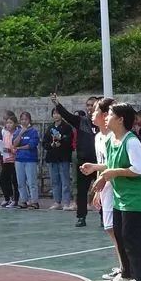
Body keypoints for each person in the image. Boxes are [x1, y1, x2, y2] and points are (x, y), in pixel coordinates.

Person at [82, 103, 141, 281]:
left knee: (132, 237)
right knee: (120, 235)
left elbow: (139, 169)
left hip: (134, 197)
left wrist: (110, 173)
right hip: (120, 196)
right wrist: (97, 169)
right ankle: (126, 274)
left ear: (121, 119)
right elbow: (110, 165)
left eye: (110, 114)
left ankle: (140, 280)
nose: (106, 117)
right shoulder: (112, 140)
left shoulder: (131, 141)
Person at [52, 94, 98, 227]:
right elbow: (67, 115)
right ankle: (81, 217)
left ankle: (104, 217)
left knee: (103, 191)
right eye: (88, 105)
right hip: (84, 162)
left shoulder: (104, 123)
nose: (90, 107)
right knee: (82, 191)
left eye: (92, 105)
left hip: (99, 163)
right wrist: (57, 104)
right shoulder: (81, 121)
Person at [88, 97, 121, 281]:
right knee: (110, 228)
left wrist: (97, 173)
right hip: (105, 185)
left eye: (95, 111)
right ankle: (123, 266)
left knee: (115, 228)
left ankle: (126, 267)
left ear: (104, 115)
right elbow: (102, 164)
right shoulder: (98, 137)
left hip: (114, 185)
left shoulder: (113, 137)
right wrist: (98, 189)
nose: (92, 114)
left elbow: (111, 164)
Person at [43, 108, 73, 210]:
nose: (56, 115)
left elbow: (69, 140)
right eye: (54, 113)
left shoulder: (67, 127)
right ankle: (57, 202)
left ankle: (66, 202)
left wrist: (62, 140)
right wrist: (51, 144)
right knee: (55, 181)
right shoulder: (49, 128)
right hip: (52, 157)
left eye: (58, 113)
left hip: (63, 157)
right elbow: (44, 143)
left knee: (65, 181)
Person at [13, 111, 40, 209]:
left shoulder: (33, 131)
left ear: (29, 120)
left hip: (30, 159)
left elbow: (31, 145)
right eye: (22, 119)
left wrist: (20, 148)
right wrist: (21, 133)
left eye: (26, 119)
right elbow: (15, 144)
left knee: (31, 182)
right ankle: (23, 200)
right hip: (19, 159)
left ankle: (34, 201)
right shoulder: (17, 131)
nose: (24, 121)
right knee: (21, 182)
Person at [0, 115, 21, 208]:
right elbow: (3, 146)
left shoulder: (17, 133)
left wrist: (11, 151)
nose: (8, 125)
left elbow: (17, 147)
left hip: (14, 160)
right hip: (6, 160)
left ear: (15, 124)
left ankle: (16, 200)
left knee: (15, 181)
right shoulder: (5, 134)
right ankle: (8, 198)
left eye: (11, 123)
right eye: (7, 123)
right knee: (3, 180)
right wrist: (2, 153)